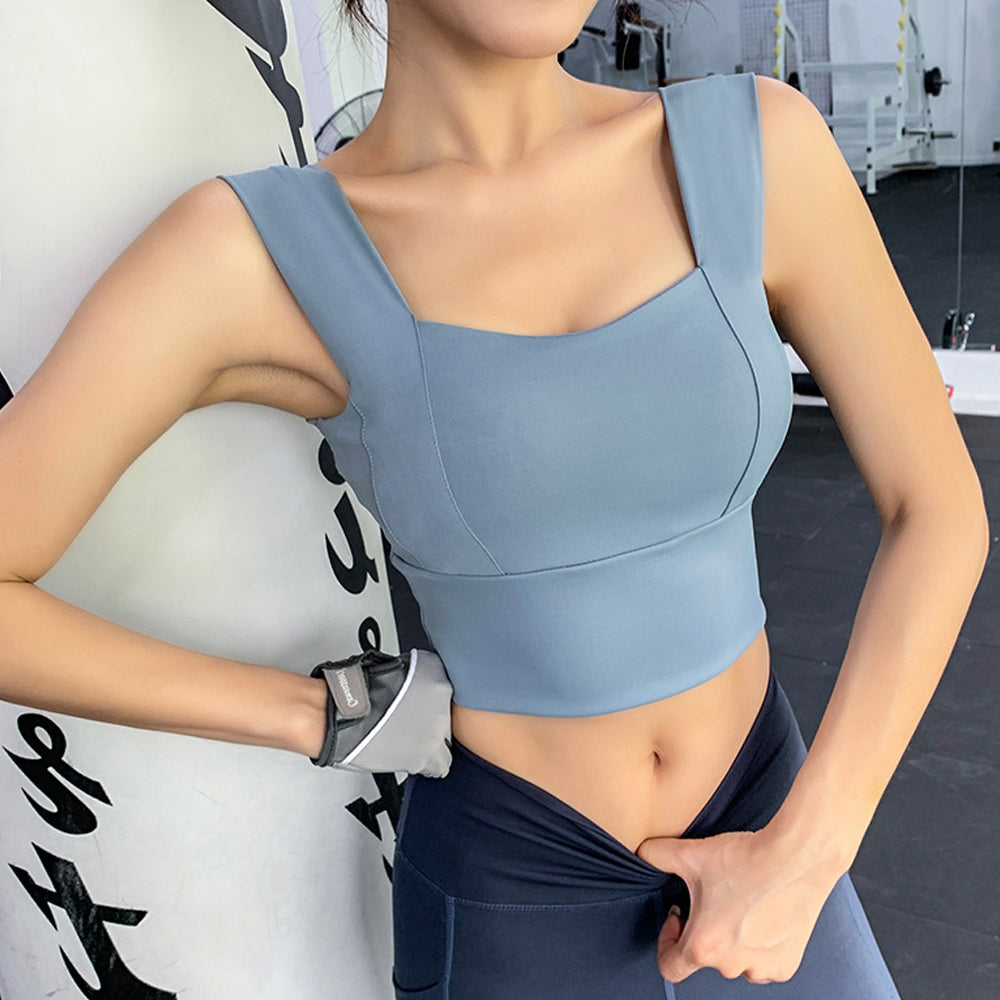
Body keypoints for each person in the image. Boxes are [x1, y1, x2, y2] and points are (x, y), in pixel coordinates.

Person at [0, 0, 989, 997]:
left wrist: (809, 849)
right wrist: (314, 712)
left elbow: (938, 507)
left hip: (772, 829)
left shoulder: (761, 144)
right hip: (513, 890)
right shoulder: (251, 249)